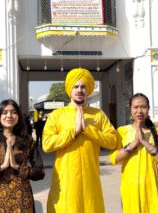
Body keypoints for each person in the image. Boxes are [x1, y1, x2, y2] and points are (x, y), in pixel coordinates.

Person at [42, 68, 118, 213]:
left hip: (91, 178)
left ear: (88, 89)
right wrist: (73, 132)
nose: (79, 90)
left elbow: (113, 140)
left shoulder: (98, 115)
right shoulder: (57, 115)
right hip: (66, 179)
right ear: (69, 89)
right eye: (76, 87)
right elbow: (46, 144)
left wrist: (88, 130)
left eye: (83, 87)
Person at [0, 99, 45, 213]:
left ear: (18, 116)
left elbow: (40, 173)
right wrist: (0, 168)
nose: (9, 115)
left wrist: (18, 168)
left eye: (14, 112)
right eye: (5, 112)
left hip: (22, 202)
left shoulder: (28, 141)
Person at [110, 93, 158, 213]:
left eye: (143, 107)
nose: (139, 111)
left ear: (148, 109)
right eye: (135, 107)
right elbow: (114, 158)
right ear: (130, 109)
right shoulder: (122, 131)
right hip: (130, 190)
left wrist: (145, 143)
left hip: (154, 189)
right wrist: (133, 145)